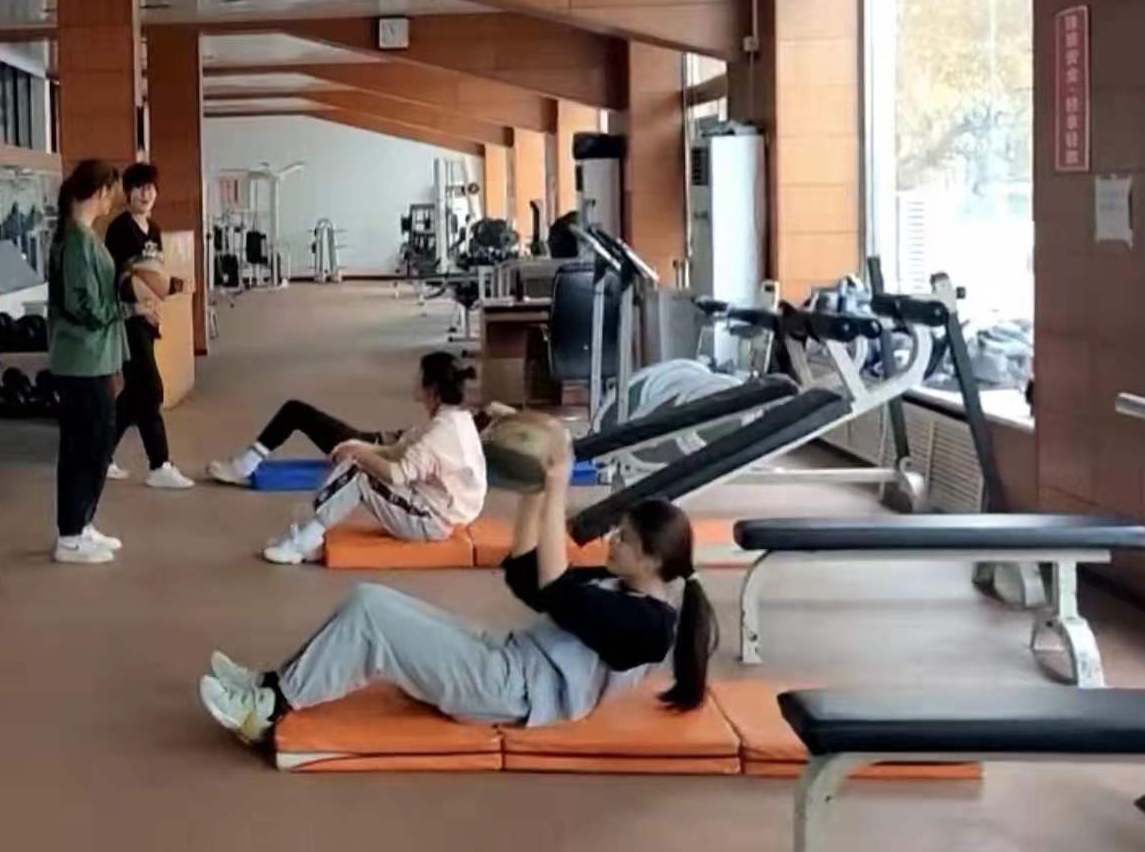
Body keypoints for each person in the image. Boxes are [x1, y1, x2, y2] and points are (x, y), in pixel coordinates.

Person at [198, 412, 716, 744]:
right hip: (504, 659)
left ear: (652, 561)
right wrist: (533, 494)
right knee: (368, 600)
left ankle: (267, 711)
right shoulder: (618, 586)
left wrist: (558, 487)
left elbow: (557, 590)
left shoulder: (651, 629)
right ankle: (271, 683)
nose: (613, 542)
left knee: (372, 619)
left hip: (509, 691)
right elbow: (527, 579)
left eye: (625, 539)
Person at [209, 352, 491, 564]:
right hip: (444, 509)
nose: (413, 380)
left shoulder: (440, 433)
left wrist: (359, 453)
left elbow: (397, 475)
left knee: (359, 472)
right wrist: (361, 448)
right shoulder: (454, 419)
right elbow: (399, 450)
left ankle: (304, 541)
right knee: (358, 463)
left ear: (432, 389)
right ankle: (306, 533)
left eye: (419, 376)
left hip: (433, 521)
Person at [47, 158, 138, 564]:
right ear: (99, 192)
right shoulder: (76, 242)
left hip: (94, 359)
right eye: (111, 194)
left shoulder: (85, 237)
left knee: (95, 445)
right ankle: (70, 536)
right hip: (82, 361)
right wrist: (126, 308)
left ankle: (81, 524)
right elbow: (83, 305)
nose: (112, 201)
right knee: (85, 448)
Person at [103, 162, 194, 491]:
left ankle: (100, 455)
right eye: (140, 188)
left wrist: (168, 293)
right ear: (128, 192)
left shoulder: (153, 229)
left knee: (134, 395)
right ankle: (160, 464)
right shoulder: (119, 230)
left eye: (151, 188)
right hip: (127, 319)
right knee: (151, 389)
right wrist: (139, 301)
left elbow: (155, 275)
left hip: (148, 318)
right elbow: (116, 279)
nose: (146, 194)